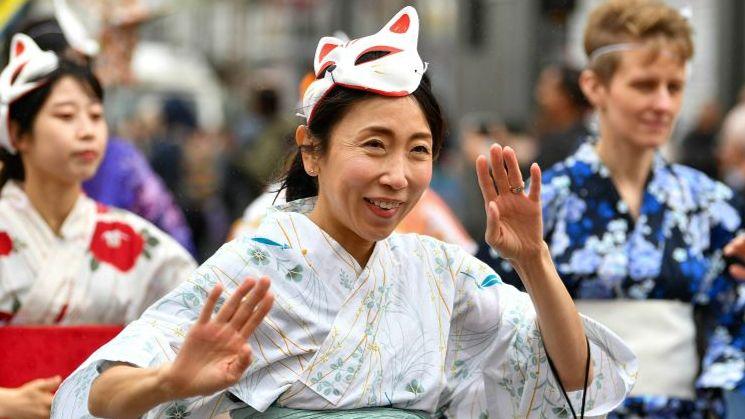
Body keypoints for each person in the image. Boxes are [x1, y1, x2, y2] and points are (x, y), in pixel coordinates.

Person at [53, 7, 635, 418]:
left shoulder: (440, 273)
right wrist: (169, 381)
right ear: (313, 148)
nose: (398, 176)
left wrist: (533, 261)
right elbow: (102, 390)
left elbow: (574, 379)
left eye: (419, 150)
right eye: (374, 145)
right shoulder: (252, 269)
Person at [479, 1, 745, 416]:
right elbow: (494, 316)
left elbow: (732, 317)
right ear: (594, 86)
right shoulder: (543, 200)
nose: (662, 103)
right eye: (644, 85)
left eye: (674, 87)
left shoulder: (713, 205)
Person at [0, 33, 195, 417]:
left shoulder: (138, 243)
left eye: (95, 115)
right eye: (66, 116)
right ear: (19, 134)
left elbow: (189, 329)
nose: (87, 130)